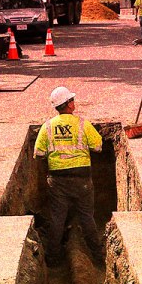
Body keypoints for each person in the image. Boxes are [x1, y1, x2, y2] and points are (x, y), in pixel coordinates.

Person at [34, 86, 103, 263]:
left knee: (57, 218)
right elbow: (97, 147)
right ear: (69, 104)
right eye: (72, 100)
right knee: (87, 216)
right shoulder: (82, 124)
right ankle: (97, 256)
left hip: (57, 180)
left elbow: (39, 153)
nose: (74, 103)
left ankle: (52, 258)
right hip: (82, 178)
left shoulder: (47, 127)